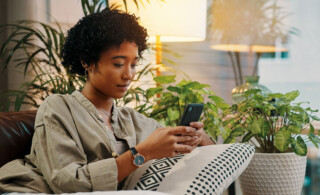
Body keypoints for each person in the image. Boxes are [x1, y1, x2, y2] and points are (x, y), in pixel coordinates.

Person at [0, 9, 214, 193]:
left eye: (134, 64)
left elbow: (208, 151)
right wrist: (143, 153)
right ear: (87, 62)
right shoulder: (58, 107)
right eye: (119, 63)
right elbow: (67, 183)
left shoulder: (132, 120)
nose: (129, 74)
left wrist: (198, 136)